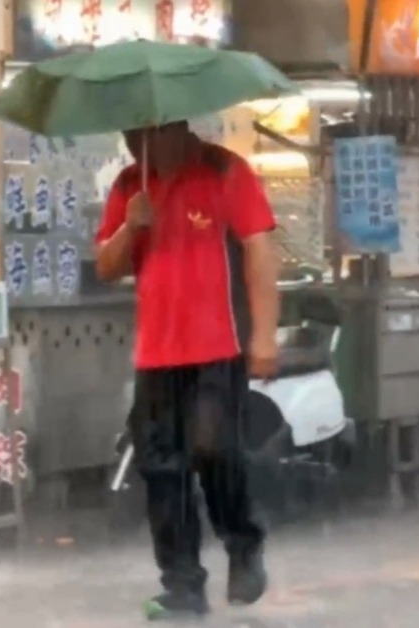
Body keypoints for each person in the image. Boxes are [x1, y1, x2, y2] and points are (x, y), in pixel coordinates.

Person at [94, 121, 279, 620]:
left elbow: (260, 250)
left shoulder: (224, 170)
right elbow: (106, 266)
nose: (134, 146)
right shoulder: (130, 184)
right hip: (156, 355)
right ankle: (182, 585)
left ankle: (242, 547)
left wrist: (264, 334)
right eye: (129, 138)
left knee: (215, 450)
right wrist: (131, 226)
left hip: (219, 345)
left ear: (174, 127)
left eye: (144, 136)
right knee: (161, 471)